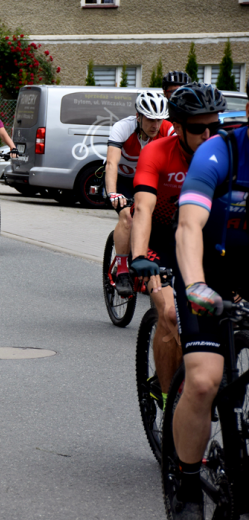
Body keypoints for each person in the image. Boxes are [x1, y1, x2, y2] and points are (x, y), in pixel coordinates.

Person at [170, 84, 242, 520]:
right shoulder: (217, 153)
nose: (207, 130)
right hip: (207, 272)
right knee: (202, 380)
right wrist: (196, 285)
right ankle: (187, 481)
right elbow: (188, 226)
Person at [130, 84, 224, 412]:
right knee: (170, 313)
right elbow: (142, 207)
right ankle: (171, 401)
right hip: (161, 246)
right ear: (179, 128)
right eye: (198, 128)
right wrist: (139, 256)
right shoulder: (156, 152)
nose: (208, 134)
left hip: (207, 245)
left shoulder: (225, 152)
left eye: (216, 126)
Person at [104, 91, 174, 296]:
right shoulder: (123, 128)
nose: (155, 125)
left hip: (150, 180)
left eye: (159, 120)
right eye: (151, 119)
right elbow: (111, 163)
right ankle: (123, 269)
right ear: (138, 116)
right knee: (128, 217)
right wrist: (113, 193)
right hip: (123, 180)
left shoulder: (168, 130)